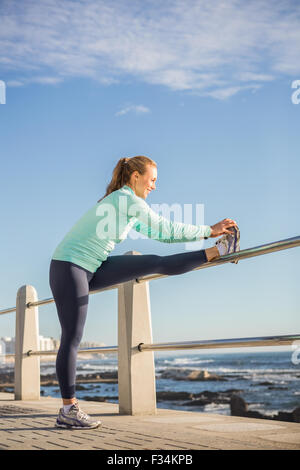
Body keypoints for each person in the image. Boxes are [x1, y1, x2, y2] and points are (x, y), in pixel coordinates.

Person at [49, 155, 238, 429]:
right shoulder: (126, 200)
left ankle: (219, 251)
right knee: (72, 336)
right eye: (152, 180)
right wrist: (209, 229)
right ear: (135, 177)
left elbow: (163, 235)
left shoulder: (125, 204)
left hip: (91, 265)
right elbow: (166, 227)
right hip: (70, 266)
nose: (154, 186)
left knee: (152, 262)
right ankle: (68, 410)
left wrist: (208, 237)